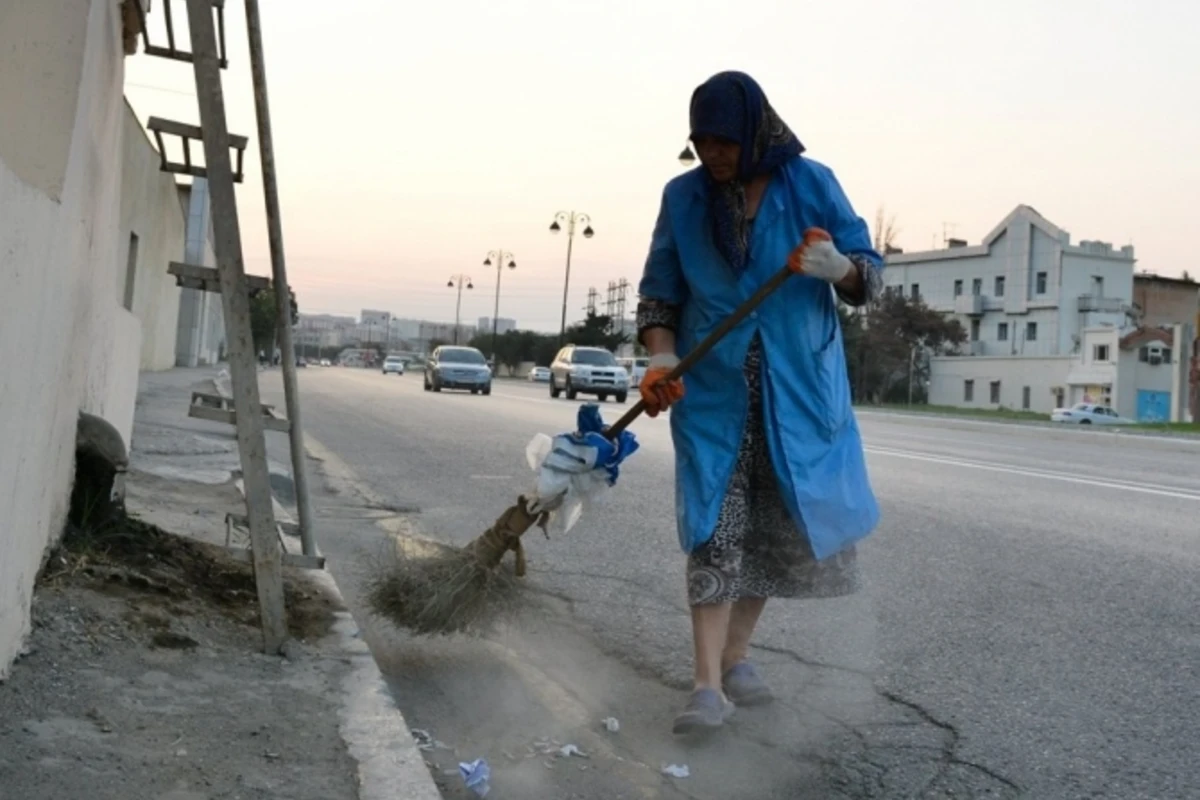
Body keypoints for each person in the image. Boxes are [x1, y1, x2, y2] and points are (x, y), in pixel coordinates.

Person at [635, 71, 884, 735]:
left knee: (775, 534)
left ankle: (738, 655)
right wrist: (661, 357)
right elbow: (660, 294)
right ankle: (706, 685)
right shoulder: (683, 198)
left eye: (724, 140)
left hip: (798, 391)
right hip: (713, 393)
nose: (712, 153)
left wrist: (839, 267)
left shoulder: (812, 183)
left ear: (754, 133)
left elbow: (869, 270)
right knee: (716, 530)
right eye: (702, 141)